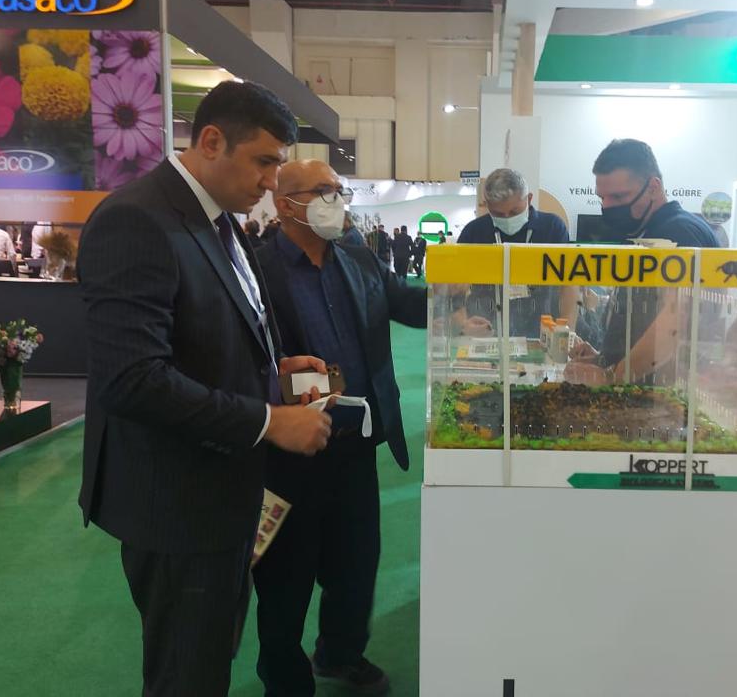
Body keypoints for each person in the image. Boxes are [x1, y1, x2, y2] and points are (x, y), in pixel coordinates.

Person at [77, 81, 335, 697]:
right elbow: (131, 379)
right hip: (176, 503)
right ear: (213, 141)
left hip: (221, 492)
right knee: (187, 674)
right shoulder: (137, 219)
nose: (271, 182)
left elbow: (206, 334)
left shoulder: (219, 220)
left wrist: (275, 370)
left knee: (210, 658)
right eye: (264, 161)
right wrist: (268, 421)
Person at [253, 159, 427, 697]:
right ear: (285, 203)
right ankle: (285, 678)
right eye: (323, 191)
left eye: (339, 190)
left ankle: (341, 653)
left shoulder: (357, 257)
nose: (337, 201)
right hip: (289, 451)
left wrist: (460, 300)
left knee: (357, 562)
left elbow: (405, 302)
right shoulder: (256, 269)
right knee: (285, 576)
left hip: (356, 443)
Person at [567, 140, 717, 384]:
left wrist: (610, 376)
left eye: (618, 196)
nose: (607, 206)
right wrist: (604, 358)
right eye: (602, 197)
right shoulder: (643, 231)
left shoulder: (678, 233)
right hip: (638, 385)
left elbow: (675, 324)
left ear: (653, 187)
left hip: (661, 394)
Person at [455, 168, 575, 337]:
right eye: (498, 213)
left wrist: (567, 330)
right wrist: (463, 323)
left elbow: (569, 284)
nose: (507, 218)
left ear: (529, 198)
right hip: (486, 326)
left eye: (514, 212)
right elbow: (455, 286)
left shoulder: (553, 228)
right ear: (487, 204)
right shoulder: (473, 231)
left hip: (542, 327)